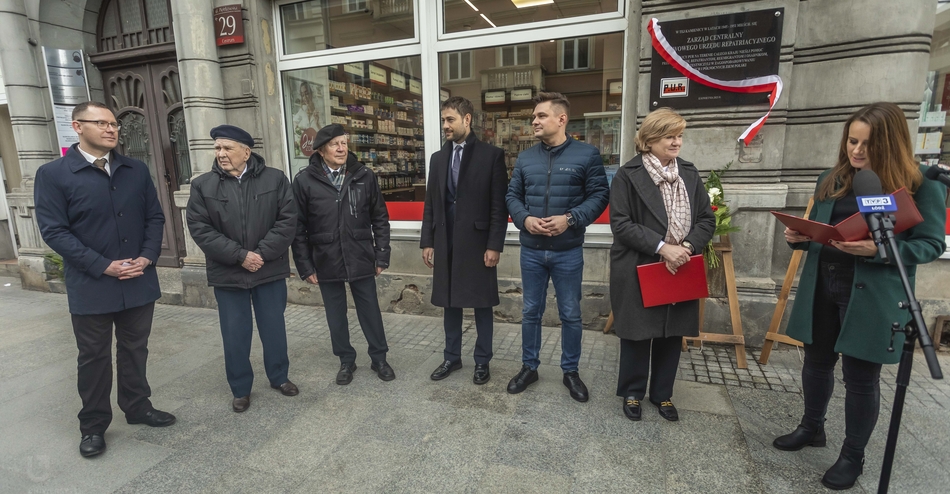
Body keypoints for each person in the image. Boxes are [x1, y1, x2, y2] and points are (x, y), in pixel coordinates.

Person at [774, 102, 946, 490]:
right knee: (816, 363)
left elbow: (931, 244)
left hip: (871, 292)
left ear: (890, 144)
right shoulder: (831, 178)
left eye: (868, 145)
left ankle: (853, 455)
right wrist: (799, 238)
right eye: (852, 141)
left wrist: (879, 250)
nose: (856, 151)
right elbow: (824, 229)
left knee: (860, 378)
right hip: (824, 282)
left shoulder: (922, 185)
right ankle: (811, 427)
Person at [34, 101, 176, 458]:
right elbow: (55, 231)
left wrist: (147, 256)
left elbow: (154, 218)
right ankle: (93, 425)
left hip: (138, 279)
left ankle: (138, 407)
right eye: (101, 123)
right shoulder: (54, 174)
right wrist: (103, 265)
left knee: (135, 349)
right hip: (92, 284)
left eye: (114, 124)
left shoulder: (135, 169)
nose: (112, 129)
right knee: (93, 357)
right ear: (78, 127)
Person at [607, 108, 715, 422]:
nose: (676, 142)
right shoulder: (628, 174)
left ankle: (662, 394)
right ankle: (632, 392)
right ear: (650, 139)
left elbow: (706, 220)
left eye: (679, 135)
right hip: (640, 264)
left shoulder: (690, 174)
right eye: (670, 136)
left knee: (671, 332)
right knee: (638, 333)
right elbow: (621, 223)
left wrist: (687, 247)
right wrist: (662, 247)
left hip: (681, 263)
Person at [186, 125, 299, 413]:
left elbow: (287, 221)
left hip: (268, 268)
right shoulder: (203, 185)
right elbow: (200, 229)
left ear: (246, 151)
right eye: (217, 148)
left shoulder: (275, 179)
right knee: (235, 334)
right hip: (229, 272)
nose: (221, 154)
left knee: (274, 328)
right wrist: (239, 256)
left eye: (227, 148)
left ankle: (279, 377)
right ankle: (240, 388)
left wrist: (259, 254)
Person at [505, 92, 609, 402]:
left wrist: (570, 219)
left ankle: (571, 372)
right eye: (533, 117)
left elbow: (600, 196)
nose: (534, 121)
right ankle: (529, 367)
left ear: (561, 119)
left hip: (568, 250)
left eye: (540, 116)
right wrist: (524, 220)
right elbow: (512, 197)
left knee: (571, 314)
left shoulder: (586, 155)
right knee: (530, 312)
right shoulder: (525, 158)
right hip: (532, 250)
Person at [291, 124, 395, 385]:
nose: (341, 148)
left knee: (370, 309)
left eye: (344, 143)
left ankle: (379, 358)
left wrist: (381, 255)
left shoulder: (364, 175)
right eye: (335, 144)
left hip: (360, 253)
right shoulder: (304, 180)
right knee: (335, 314)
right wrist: (305, 266)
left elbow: (380, 217)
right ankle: (346, 361)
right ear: (322, 150)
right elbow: (297, 228)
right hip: (325, 257)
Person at [421, 96, 508, 384]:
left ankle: (482, 361)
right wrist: (428, 241)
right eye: (443, 120)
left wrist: (495, 244)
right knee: (450, 303)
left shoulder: (491, 155)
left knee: (482, 305)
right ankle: (451, 357)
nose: (445, 125)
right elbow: (431, 203)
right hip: (446, 240)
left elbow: (499, 206)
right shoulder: (437, 158)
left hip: (479, 243)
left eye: (450, 120)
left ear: (467, 120)